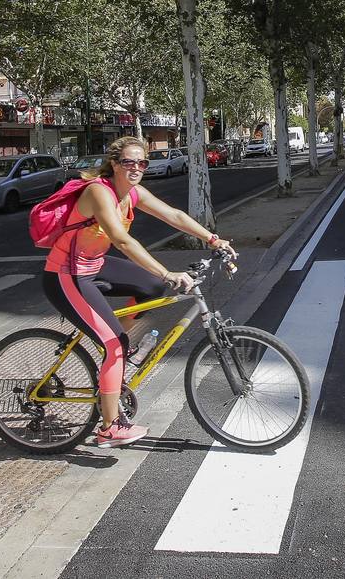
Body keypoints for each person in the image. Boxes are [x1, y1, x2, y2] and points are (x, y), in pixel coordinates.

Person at [42, 135, 237, 447]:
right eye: (128, 162)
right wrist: (167, 270)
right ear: (114, 164)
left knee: (153, 288)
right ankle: (109, 428)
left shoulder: (133, 193)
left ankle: (117, 347)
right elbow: (121, 240)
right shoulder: (99, 192)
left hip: (95, 264)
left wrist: (213, 239)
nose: (135, 168)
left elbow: (173, 215)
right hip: (67, 274)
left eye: (142, 162)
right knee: (115, 343)